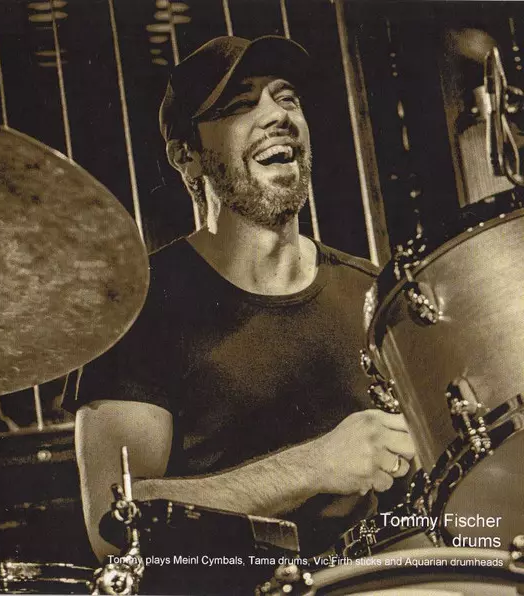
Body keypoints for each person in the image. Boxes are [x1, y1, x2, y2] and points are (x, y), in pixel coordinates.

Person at [63, 36, 415, 567]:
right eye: (239, 105)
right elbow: (114, 525)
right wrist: (314, 466)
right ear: (187, 156)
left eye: (287, 98)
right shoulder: (140, 308)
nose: (277, 116)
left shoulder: (373, 293)